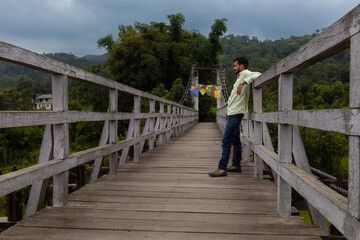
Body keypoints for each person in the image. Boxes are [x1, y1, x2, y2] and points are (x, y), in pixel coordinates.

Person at [209, 57, 261, 177]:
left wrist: (244, 82)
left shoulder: (246, 74)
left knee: (226, 140)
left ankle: (222, 168)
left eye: (235, 66)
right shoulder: (239, 77)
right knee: (236, 140)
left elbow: (259, 74)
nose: (233, 68)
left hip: (236, 112)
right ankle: (236, 165)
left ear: (241, 66)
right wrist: (228, 113)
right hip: (232, 112)